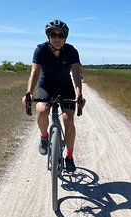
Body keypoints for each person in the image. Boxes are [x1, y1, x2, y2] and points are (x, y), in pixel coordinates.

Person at [22, 19, 85, 172]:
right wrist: (29, 93)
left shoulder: (72, 51)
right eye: (53, 35)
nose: (57, 38)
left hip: (65, 87)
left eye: (61, 35)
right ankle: (44, 137)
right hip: (46, 86)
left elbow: (76, 74)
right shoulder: (40, 50)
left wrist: (79, 94)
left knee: (68, 119)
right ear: (48, 36)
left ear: (65, 37)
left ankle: (69, 156)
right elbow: (35, 73)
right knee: (42, 111)